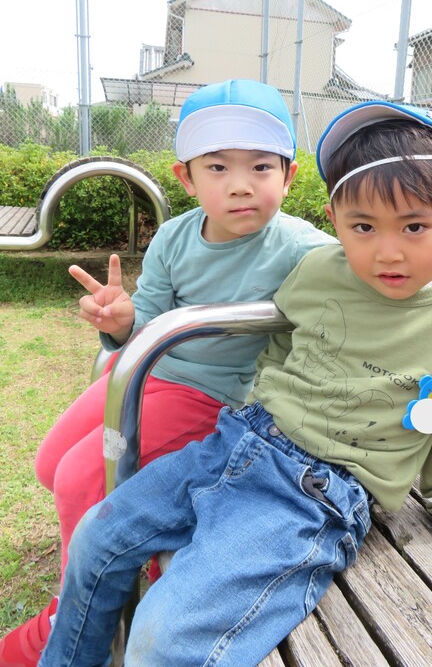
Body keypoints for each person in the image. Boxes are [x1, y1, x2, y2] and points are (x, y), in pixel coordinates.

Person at [38, 100, 432, 667]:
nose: (388, 251)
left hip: (318, 493)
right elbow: (282, 347)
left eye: (415, 226)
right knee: (97, 537)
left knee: (164, 640)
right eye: (363, 227)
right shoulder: (318, 271)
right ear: (336, 221)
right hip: (238, 441)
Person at [0, 78, 336, 667]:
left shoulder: (303, 249)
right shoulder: (176, 237)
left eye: (261, 166)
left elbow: (356, 285)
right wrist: (122, 319)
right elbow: (146, 320)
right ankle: (134, 545)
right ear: (187, 178)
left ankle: (74, 619)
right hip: (147, 373)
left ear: (288, 177)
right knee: (50, 464)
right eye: (218, 167)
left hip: (215, 397)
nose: (240, 184)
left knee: (80, 478)